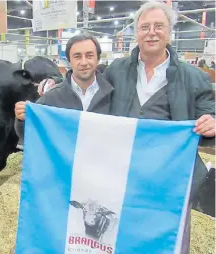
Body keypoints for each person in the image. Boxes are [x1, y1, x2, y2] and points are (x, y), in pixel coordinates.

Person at [103, 2, 215, 253]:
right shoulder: (116, 71)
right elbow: (91, 100)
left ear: (170, 32)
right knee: (124, 230)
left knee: (169, 236)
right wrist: (46, 94)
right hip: (124, 172)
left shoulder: (194, 77)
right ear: (136, 33)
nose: (151, 32)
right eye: (144, 27)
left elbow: (210, 112)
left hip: (172, 176)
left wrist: (213, 124)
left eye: (158, 26)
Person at [14, 33, 113, 145]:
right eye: (77, 56)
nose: (84, 62)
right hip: (65, 162)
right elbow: (29, 134)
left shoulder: (112, 96)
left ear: (98, 59)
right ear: (69, 61)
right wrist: (22, 119)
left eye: (89, 55)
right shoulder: (51, 97)